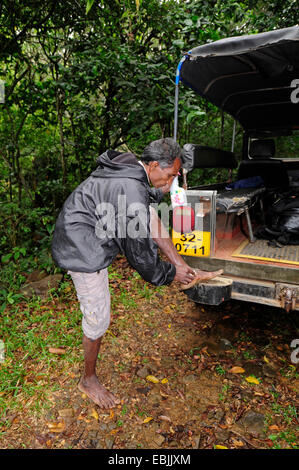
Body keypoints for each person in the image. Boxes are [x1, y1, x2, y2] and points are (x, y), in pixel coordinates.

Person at [51, 138, 221, 409]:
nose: (170, 179)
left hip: (89, 232)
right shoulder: (130, 190)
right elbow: (140, 254)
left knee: (151, 214)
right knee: (98, 319)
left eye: (174, 175)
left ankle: (182, 265)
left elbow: (146, 209)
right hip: (81, 248)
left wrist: (177, 264)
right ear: (153, 165)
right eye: (168, 174)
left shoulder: (133, 168)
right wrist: (168, 275)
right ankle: (88, 380)